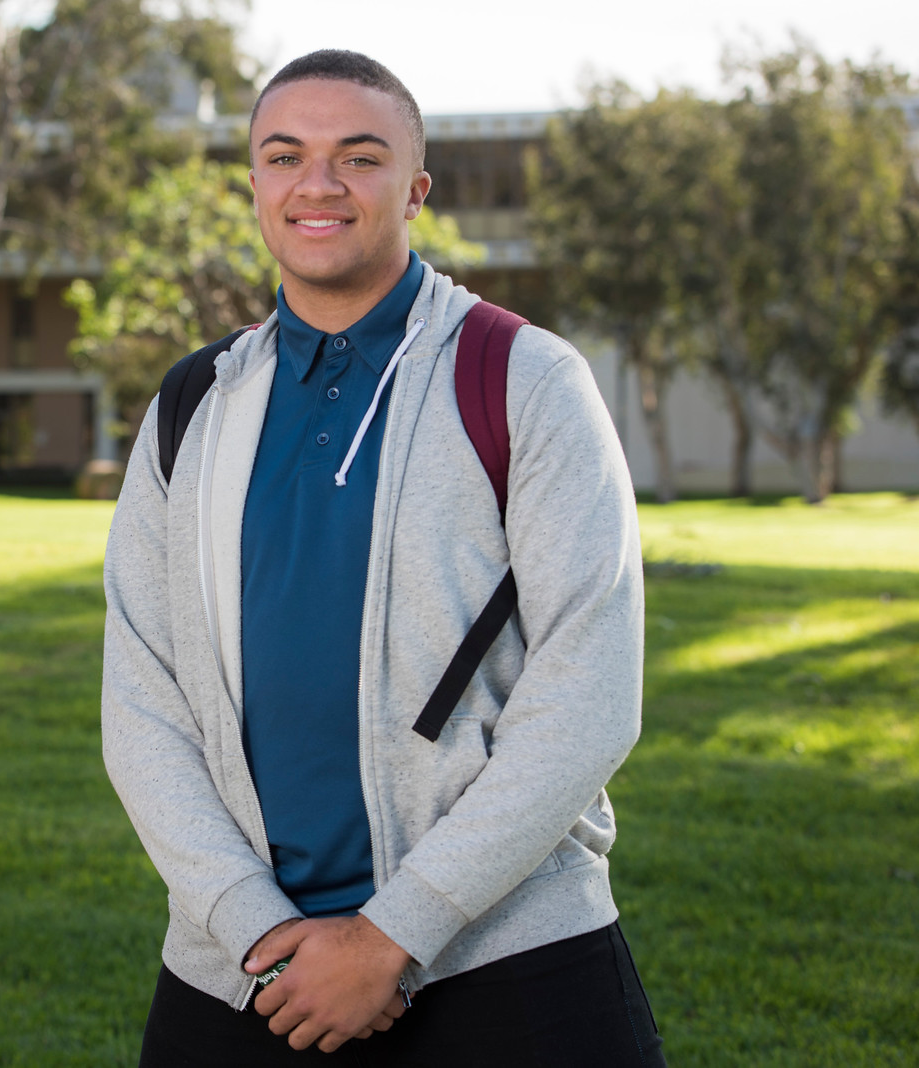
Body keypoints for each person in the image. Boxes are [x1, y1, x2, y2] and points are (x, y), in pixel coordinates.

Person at [102, 50, 663, 1066]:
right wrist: (254, 927)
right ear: (255, 186)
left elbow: (588, 697)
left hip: (503, 955)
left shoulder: (526, 381)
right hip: (240, 975)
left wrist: (392, 933)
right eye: (285, 156)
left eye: (357, 157)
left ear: (415, 190)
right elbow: (141, 703)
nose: (318, 184)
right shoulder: (191, 405)